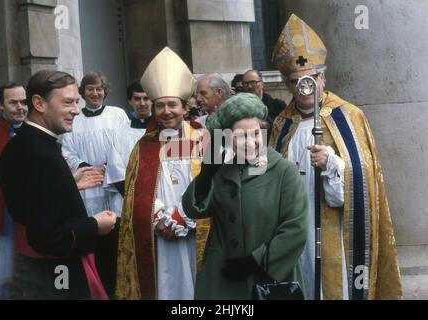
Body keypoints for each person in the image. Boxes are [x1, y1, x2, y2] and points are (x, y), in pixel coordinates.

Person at [269, 14, 402, 299]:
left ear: (323, 77)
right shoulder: (282, 124)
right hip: (295, 232)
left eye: (312, 78)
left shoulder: (349, 115)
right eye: (296, 81)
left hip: (336, 231)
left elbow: (367, 181)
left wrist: (332, 164)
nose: (306, 86)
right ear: (288, 86)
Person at [0, 70, 116, 299]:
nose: (75, 110)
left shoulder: (21, 143)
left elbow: (34, 195)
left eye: (76, 102)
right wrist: (95, 224)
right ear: (39, 103)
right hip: (55, 270)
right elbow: (48, 237)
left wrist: (68, 185)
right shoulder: (43, 155)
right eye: (67, 102)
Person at [182, 92, 308, 299]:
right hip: (221, 280)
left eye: (255, 134)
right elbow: (194, 209)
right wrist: (206, 175)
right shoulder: (223, 171)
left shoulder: (283, 171)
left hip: (267, 279)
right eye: (240, 136)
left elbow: (296, 229)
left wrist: (255, 262)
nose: (250, 142)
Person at [115, 47, 210, 300]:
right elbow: (134, 190)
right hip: (157, 235)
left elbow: (210, 186)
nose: (166, 111)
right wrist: (158, 217)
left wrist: (183, 218)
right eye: (160, 106)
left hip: (193, 231)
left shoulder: (204, 140)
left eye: (172, 105)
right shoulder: (144, 145)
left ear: (184, 106)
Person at [61, 71, 129, 297]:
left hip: (114, 181)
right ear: (83, 92)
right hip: (88, 184)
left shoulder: (117, 115)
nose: (95, 93)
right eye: (90, 88)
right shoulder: (75, 118)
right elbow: (67, 151)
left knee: (116, 240)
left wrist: (112, 167)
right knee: (94, 241)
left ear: (105, 91)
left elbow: (126, 144)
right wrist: (87, 167)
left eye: (99, 88)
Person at [104, 81, 152, 215]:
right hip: (128, 200)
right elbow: (116, 171)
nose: (142, 103)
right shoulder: (119, 133)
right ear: (130, 101)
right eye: (137, 99)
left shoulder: (163, 131)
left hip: (158, 199)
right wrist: (136, 199)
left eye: (146, 98)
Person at [0, 83, 27, 299]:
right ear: (0, 105)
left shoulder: (32, 132)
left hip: (29, 219)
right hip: (2, 218)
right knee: (3, 278)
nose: (20, 107)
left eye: (23, 102)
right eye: (13, 102)